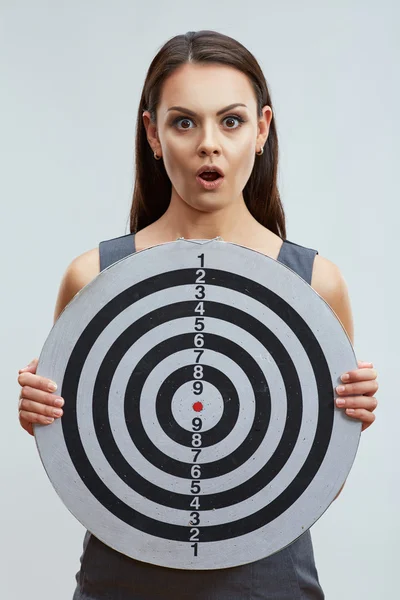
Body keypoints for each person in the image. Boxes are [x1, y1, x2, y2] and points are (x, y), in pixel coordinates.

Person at [17, 30, 378, 600]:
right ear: (152, 135)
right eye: (184, 122)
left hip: (268, 582)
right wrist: (46, 416)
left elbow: (310, 489)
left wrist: (340, 428)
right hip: (122, 580)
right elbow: (81, 456)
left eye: (230, 121)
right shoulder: (93, 277)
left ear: (261, 130)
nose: (209, 144)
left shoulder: (314, 283)